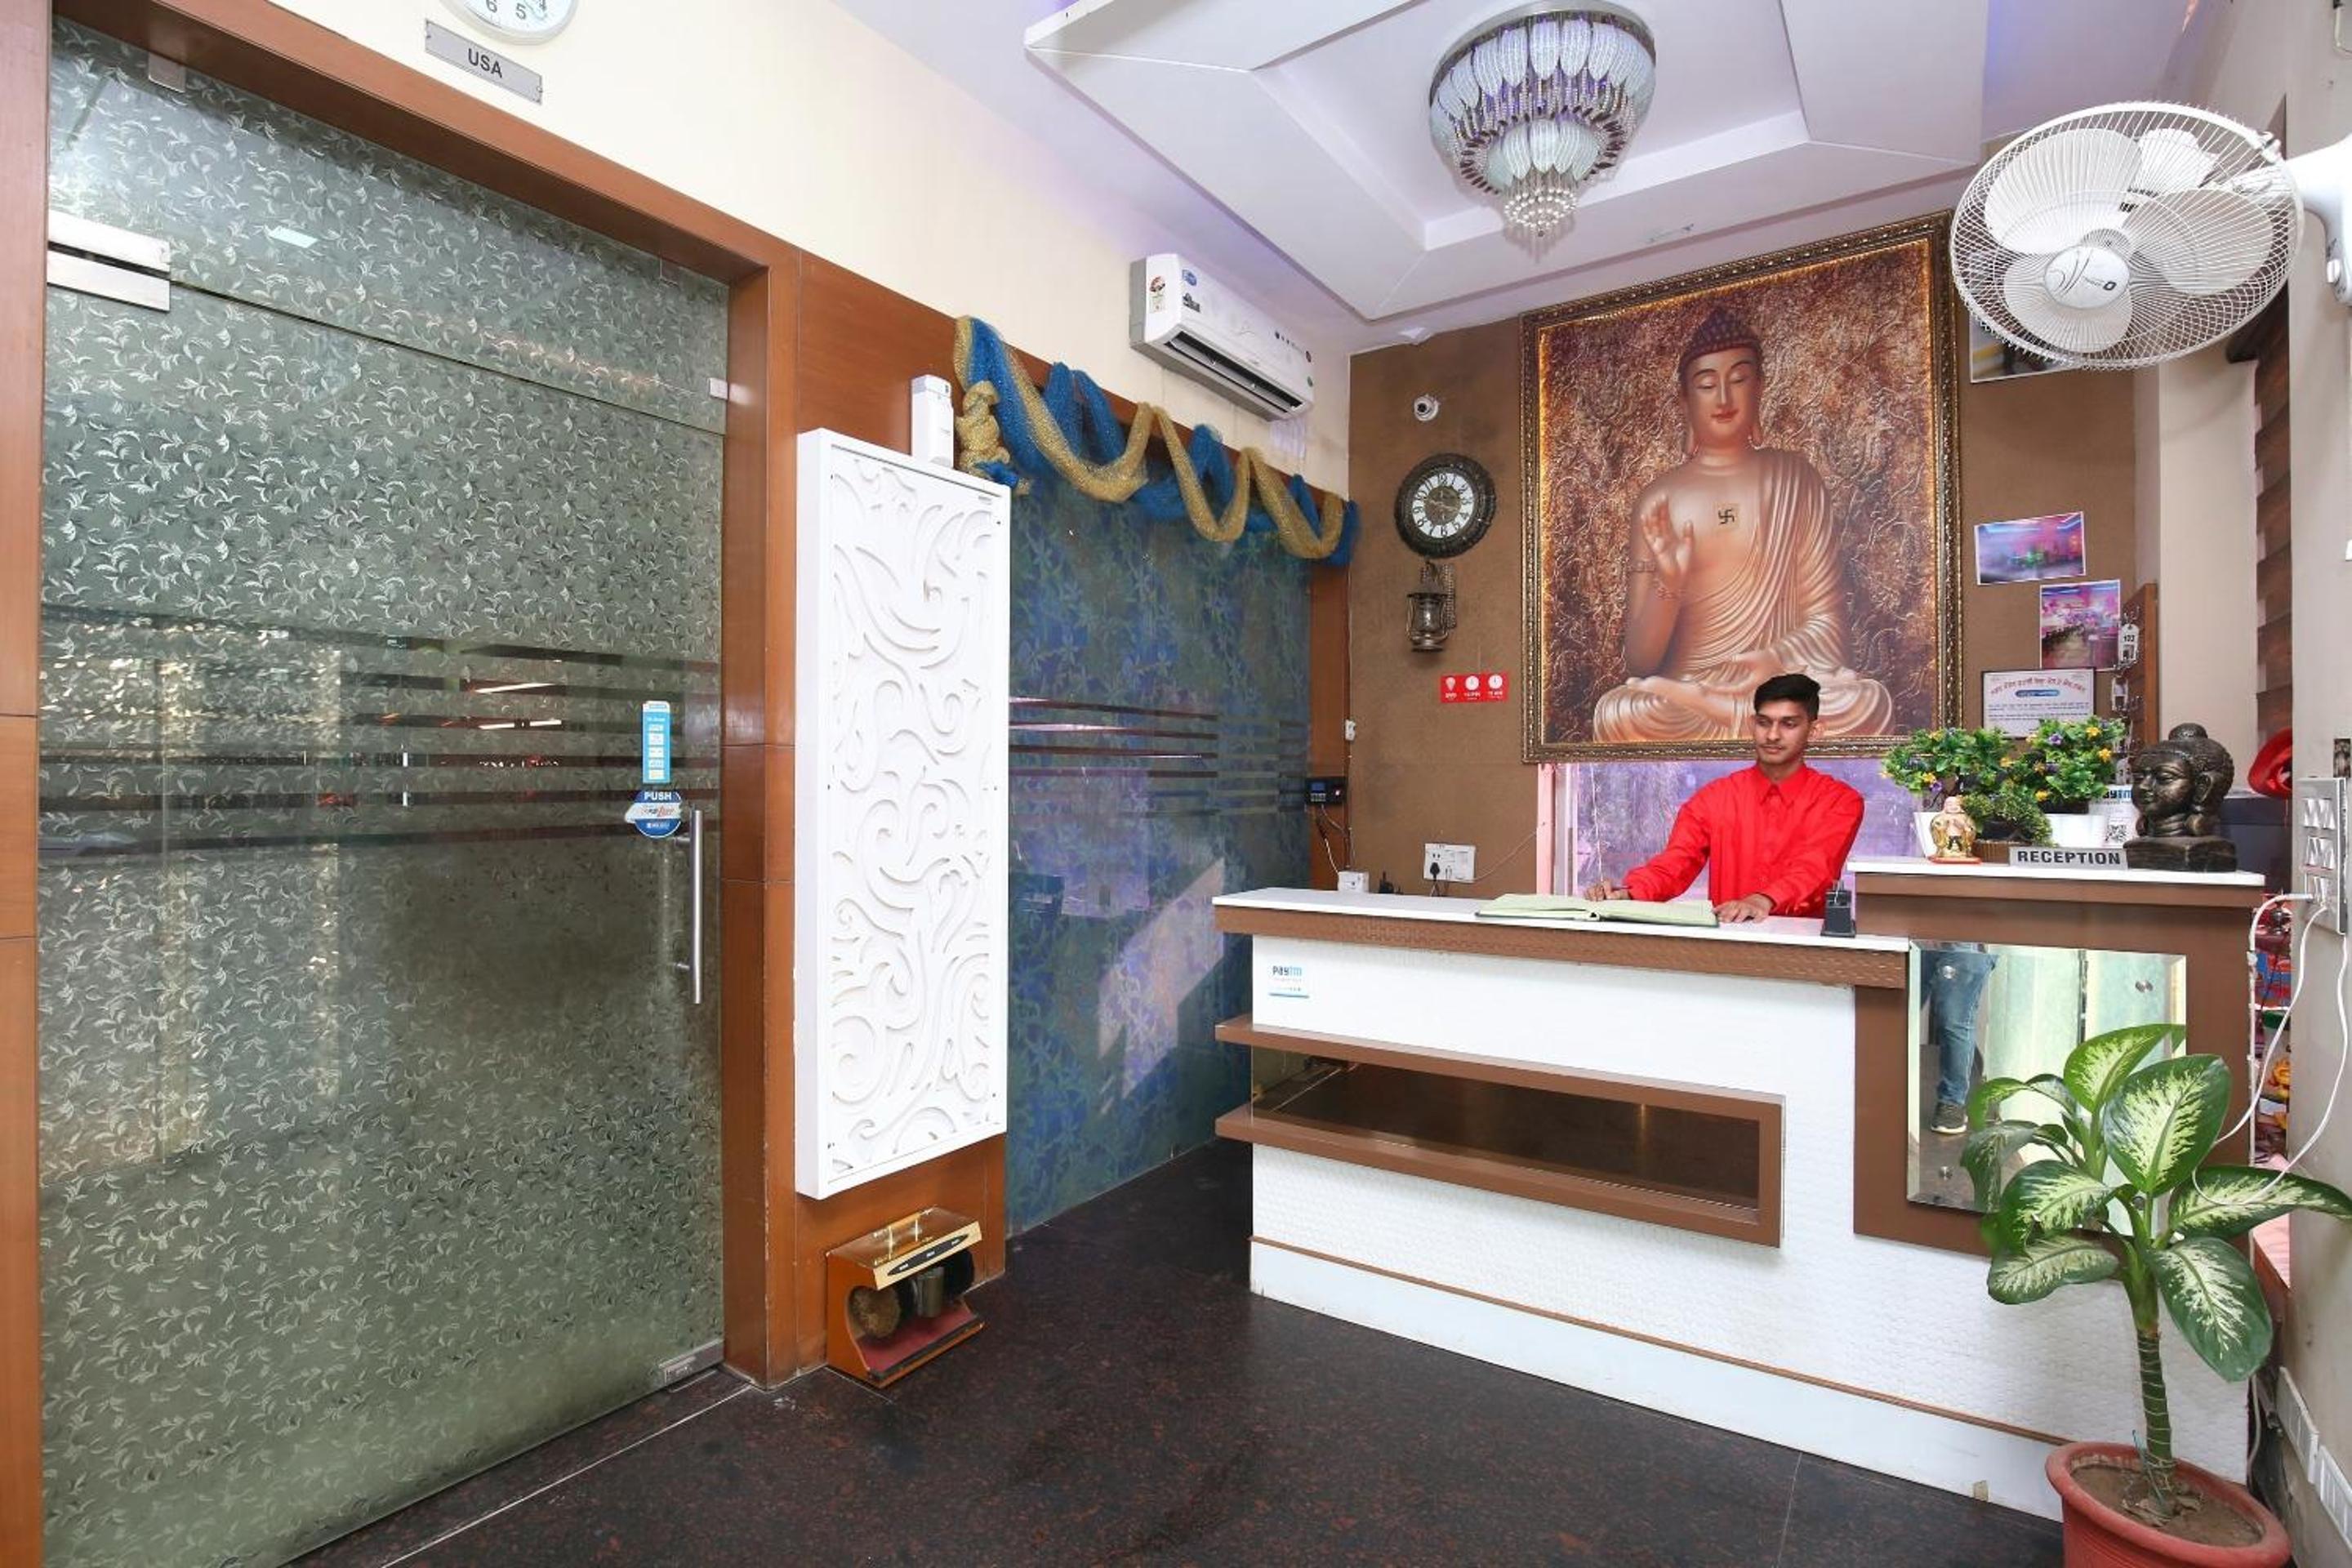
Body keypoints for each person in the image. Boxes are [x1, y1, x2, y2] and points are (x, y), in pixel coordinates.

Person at [1590, 306, 1894, 744]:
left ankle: (1738, 714)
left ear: (1760, 387)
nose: (1723, 398)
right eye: (1706, 384)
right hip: (1686, 693)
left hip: (1778, 687)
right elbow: (1640, 662)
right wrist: (1668, 583)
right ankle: (1740, 716)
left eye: (1738, 379)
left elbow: (1828, 626)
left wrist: (1776, 659)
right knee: (1620, 712)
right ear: (1685, 400)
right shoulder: (1659, 500)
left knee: (1867, 703)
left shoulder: (1795, 478)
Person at [1584, 672, 1864, 924]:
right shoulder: (1712, 798)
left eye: (1788, 724)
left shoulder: (1841, 801)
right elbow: (1676, 863)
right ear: (1751, 724)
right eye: (1764, 723)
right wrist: (1628, 895)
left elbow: (1816, 869)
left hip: (1805, 948)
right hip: (1728, 942)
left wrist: (1763, 900)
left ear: (1814, 731)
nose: (1772, 735)